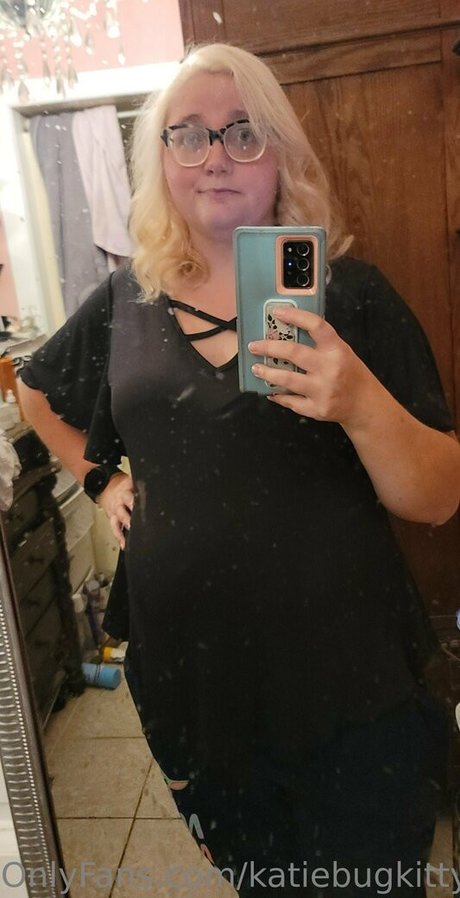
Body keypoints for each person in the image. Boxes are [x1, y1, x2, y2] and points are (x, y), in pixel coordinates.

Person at [19, 42, 460, 897]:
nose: (214, 154)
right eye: (187, 134)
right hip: (195, 684)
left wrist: (358, 400)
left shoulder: (351, 295)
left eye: (242, 131)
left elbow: (439, 497)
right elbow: (36, 393)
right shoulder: (126, 300)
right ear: (162, 161)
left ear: (281, 153)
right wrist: (101, 479)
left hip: (350, 685)